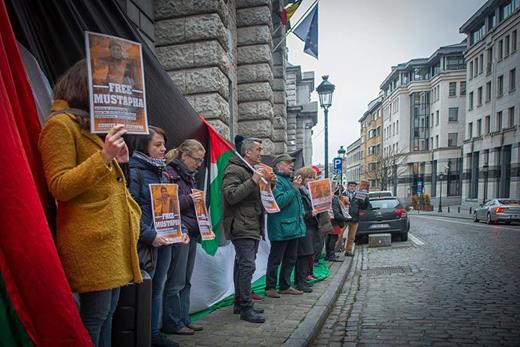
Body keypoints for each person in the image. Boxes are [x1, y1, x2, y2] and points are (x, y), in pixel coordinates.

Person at [38, 60, 142, 347]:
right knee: (95, 316)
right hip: (91, 240)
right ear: (86, 85)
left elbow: (108, 183)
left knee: (108, 313)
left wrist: (119, 160)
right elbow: (59, 186)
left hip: (112, 239)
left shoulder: (93, 126)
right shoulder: (59, 125)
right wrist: (103, 156)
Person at [128, 126, 181, 347]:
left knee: (158, 287)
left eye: (163, 144)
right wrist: (150, 235)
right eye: (157, 145)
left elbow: (171, 208)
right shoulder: (134, 171)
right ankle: (142, 335)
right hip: (147, 242)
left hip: (166, 239)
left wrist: (181, 231)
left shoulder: (162, 171)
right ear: (143, 145)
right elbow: (129, 210)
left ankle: (153, 334)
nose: (163, 149)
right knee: (145, 291)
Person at [161, 140, 209, 335]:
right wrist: (192, 198)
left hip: (192, 231)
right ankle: (173, 322)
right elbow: (168, 206)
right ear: (184, 156)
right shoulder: (169, 173)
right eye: (196, 160)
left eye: (201, 160)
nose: (199, 164)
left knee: (186, 280)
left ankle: (184, 318)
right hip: (179, 232)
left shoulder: (189, 176)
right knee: (176, 281)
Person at [222, 138, 267, 323]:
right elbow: (231, 196)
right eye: (258, 149)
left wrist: (269, 183)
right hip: (241, 225)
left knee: (241, 264)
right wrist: (253, 180)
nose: (261, 153)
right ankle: (246, 308)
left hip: (250, 224)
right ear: (247, 152)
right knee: (247, 265)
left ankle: (240, 303)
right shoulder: (234, 169)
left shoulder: (250, 170)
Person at [265, 154, 307, 298]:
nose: (291, 165)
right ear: (278, 166)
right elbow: (280, 202)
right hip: (281, 227)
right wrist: (294, 188)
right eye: (287, 163)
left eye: (291, 163)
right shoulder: (275, 181)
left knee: (290, 258)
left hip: (293, 227)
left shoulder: (289, 180)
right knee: (276, 259)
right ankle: (270, 287)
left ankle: (285, 285)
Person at [294, 166, 319, 293]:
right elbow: (299, 212)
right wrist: (311, 213)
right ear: (302, 179)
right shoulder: (300, 191)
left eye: (313, 177)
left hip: (310, 226)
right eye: (309, 177)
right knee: (303, 255)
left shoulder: (308, 192)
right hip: (304, 226)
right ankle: (300, 281)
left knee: (307, 253)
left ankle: (302, 280)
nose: (312, 180)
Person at [343, 181, 370, 256]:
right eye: (351, 186)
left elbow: (363, 207)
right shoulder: (343, 195)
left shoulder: (358, 196)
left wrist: (366, 198)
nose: (352, 187)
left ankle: (348, 251)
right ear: (347, 186)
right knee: (339, 235)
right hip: (344, 218)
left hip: (354, 218)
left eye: (354, 186)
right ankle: (335, 250)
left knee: (351, 237)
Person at [326, 184, 347, 262]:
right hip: (334, 222)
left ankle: (329, 255)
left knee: (329, 238)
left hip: (330, 221)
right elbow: (336, 212)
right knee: (333, 238)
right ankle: (331, 255)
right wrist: (344, 218)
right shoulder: (334, 199)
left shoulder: (329, 198)